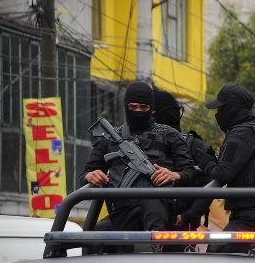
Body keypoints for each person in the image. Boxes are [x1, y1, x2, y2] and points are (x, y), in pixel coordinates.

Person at [81, 81, 195, 245]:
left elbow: (190, 173)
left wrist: (175, 175)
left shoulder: (170, 135)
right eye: (133, 107)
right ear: (126, 106)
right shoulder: (110, 138)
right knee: (92, 241)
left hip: (158, 207)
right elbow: (84, 175)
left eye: (143, 107)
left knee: (152, 202)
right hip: (121, 210)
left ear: (152, 107)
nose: (138, 112)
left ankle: (156, 248)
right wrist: (91, 176)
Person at [193, 83, 255, 256]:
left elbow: (223, 173)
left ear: (231, 109)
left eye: (220, 109)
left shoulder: (240, 134)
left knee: (216, 259)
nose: (217, 114)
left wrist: (203, 158)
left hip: (254, 218)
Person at [152, 89, 215, 232]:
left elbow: (210, 185)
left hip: (179, 227)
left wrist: (188, 216)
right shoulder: (140, 142)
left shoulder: (193, 144)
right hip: (141, 221)